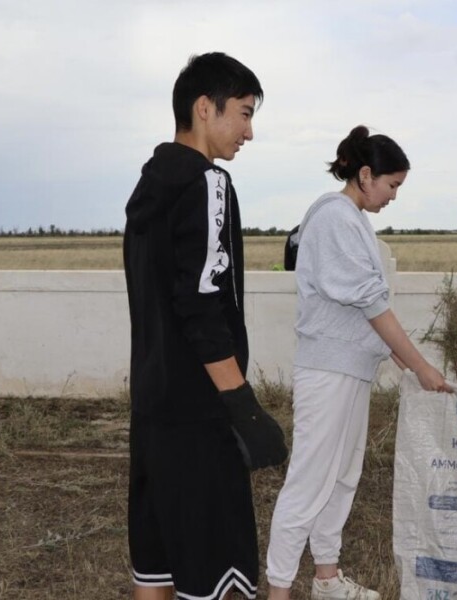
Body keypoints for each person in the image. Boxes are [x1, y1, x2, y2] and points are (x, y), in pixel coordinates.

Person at [123, 52, 287, 600]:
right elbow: (201, 306)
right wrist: (243, 407)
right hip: (199, 414)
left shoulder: (148, 185)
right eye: (243, 113)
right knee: (222, 579)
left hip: (151, 408)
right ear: (203, 107)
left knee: (158, 567)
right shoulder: (208, 183)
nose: (249, 131)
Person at [265, 125, 452, 600]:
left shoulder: (353, 219)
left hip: (350, 368)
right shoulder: (334, 219)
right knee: (309, 479)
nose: (393, 196)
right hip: (328, 372)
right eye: (392, 185)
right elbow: (371, 304)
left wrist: (402, 358)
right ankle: (279, 589)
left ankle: (326, 578)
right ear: (366, 175)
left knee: (343, 474)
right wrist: (419, 366)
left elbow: (363, 310)